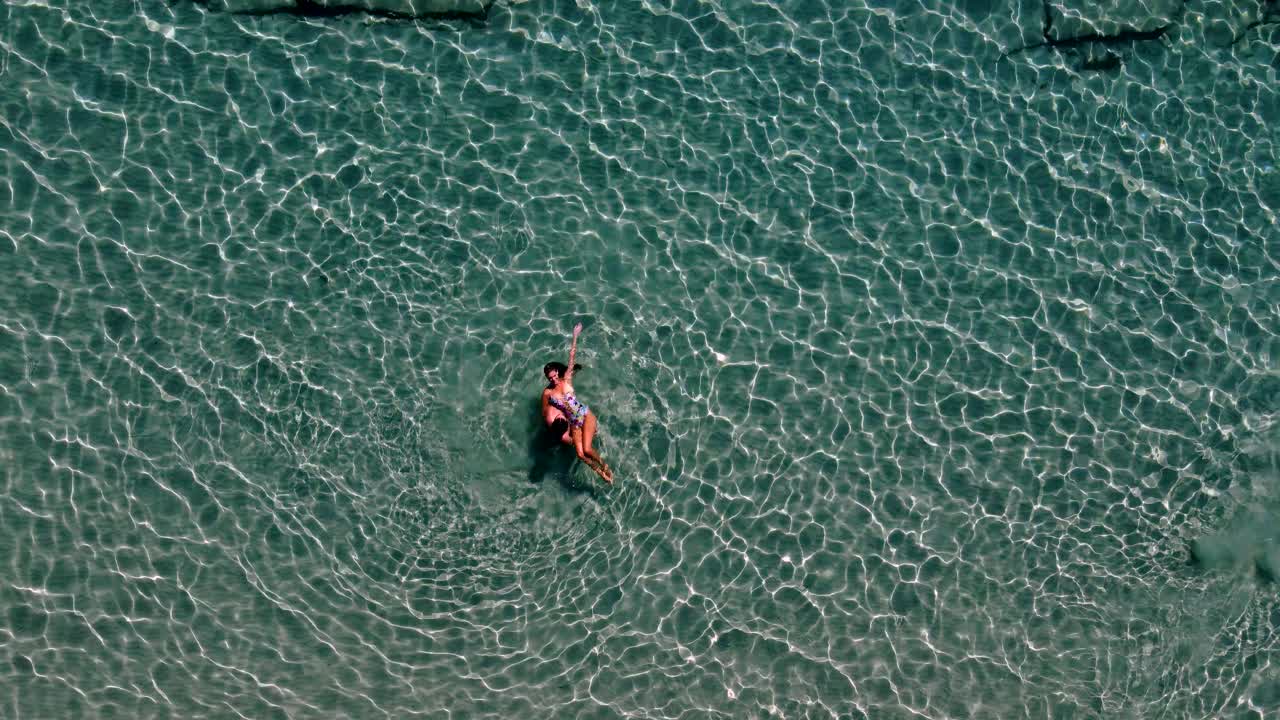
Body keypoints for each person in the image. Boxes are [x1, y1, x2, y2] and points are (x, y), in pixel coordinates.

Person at [542, 323, 612, 483]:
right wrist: (555, 425)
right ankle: (600, 473)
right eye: (549, 378)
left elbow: (571, 356)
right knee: (580, 455)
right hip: (574, 423)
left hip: (584, 415)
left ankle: (604, 466)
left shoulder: (566, 379)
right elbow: (546, 411)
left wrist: (575, 336)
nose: (553, 379)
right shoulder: (548, 393)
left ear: (558, 372)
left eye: (554, 375)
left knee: (587, 449)